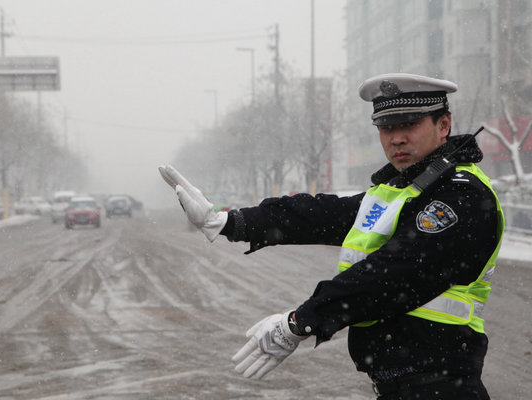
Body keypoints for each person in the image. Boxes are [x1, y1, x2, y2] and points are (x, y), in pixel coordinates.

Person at [159, 73, 504, 400]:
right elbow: (320, 214)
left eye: (410, 124)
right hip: (406, 387)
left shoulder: (462, 196)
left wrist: (299, 322)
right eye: (386, 126)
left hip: (442, 387)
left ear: (444, 124)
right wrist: (228, 221)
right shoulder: (401, 191)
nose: (396, 137)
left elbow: (395, 274)